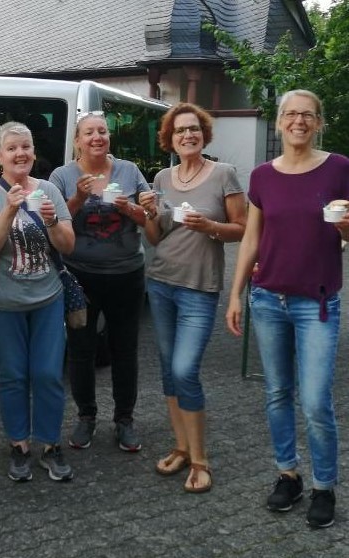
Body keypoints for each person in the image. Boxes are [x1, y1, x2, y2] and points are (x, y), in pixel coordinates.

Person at [226, 89, 349, 528]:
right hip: (268, 299)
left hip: (317, 303)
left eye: (307, 115)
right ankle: (288, 475)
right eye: (290, 114)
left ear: (318, 122)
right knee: (277, 393)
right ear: (279, 122)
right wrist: (236, 293)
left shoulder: (339, 169)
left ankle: (324, 486)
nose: (298, 121)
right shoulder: (262, 176)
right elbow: (252, 239)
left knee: (315, 401)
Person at [139, 102, 246, 492]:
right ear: (170, 138)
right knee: (168, 370)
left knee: (185, 370)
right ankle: (181, 447)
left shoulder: (223, 174)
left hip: (200, 288)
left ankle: (201, 460)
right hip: (162, 282)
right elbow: (154, 237)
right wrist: (148, 214)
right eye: (181, 130)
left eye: (194, 129)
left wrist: (210, 225)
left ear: (204, 135)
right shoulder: (162, 178)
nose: (188, 135)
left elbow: (242, 229)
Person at [0, 121, 75, 482]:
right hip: (2, 301)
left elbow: (68, 245)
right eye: (12, 148)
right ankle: (19, 445)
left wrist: (53, 223)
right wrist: (9, 210)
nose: (21, 154)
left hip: (47, 297)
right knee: (13, 375)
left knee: (47, 374)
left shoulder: (48, 190)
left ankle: (49, 444)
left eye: (26, 147)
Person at [49, 111, 149, 452]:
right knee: (81, 349)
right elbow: (54, 221)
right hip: (80, 276)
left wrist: (127, 207)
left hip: (126, 273)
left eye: (102, 132)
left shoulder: (130, 171)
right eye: (89, 132)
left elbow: (148, 217)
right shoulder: (62, 175)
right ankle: (86, 416)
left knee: (126, 349)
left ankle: (124, 419)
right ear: (77, 140)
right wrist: (77, 197)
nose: (97, 137)